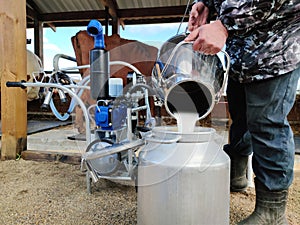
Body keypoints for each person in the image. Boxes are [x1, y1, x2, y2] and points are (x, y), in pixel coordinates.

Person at [186, 0, 300, 224]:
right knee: (241, 119)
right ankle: (236, 175)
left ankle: (272, 211)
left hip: (275, 48)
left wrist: (225, 23)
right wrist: (207, 4)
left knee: (267, 124)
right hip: (241, 54)